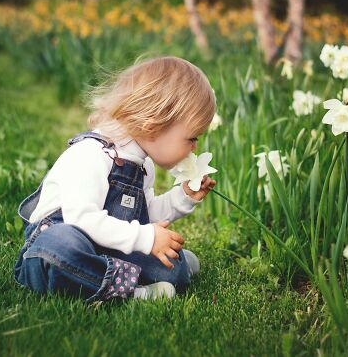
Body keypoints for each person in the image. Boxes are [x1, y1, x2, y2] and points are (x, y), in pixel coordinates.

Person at [13, 56, 217, 302]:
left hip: (106, 246)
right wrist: (146, 238)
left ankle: (162, 269)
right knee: (59, 248)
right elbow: (83, 220)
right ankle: (133, 292)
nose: (194, 147)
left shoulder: (143, 164)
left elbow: (144, 215)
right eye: (192, 138)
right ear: (154, 125)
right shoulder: (91, 154)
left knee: (173, 267)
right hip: (61, 247)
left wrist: (183, 197)